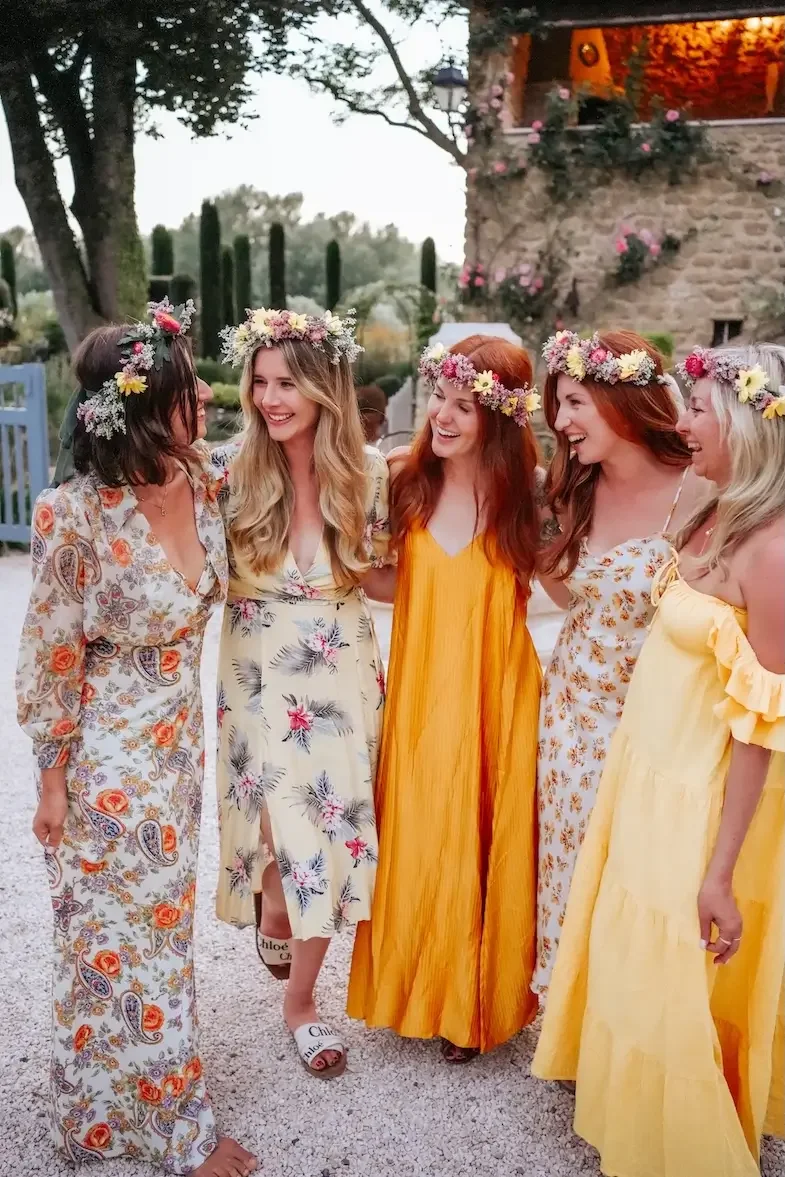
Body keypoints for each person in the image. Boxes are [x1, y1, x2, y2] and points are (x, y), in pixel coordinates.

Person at [16, 300, 256, 1176]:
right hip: (105, 759)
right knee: (113, 939)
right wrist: (51, 784)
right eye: (188, 388)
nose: (204, 399)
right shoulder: (73, 514)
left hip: (177, 749)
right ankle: (175, 1131)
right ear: (144, 407)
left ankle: (112, 1115)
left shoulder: (211, 482)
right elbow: (50, 657)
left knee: (152, 934)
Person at [532, 343, 785, 1177]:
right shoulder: (710, 515)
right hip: (629, 761)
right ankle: (619, 1097)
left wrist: (721, 866)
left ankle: (675, 1135)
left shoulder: (769, 548)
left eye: (700, 411)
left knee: (664, 954)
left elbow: (761, 720)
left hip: (687, 782)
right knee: (617, 935)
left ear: (747, 419)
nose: (684, 423)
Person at [348, 336, 544, 1061]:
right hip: (425, 685)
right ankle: (416, 990)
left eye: (464, 405)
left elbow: (563, 577)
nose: (444, 415)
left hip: (499, 688)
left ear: (499, 417)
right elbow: (391, 583)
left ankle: (475, 1001)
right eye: (441, 398)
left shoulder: (527, 493)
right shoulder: (404, 480)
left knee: (487, 836)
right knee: (426, 832)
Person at [212, 307, 392, 1079]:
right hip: (255, 665)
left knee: (327, 828)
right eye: (260, 381)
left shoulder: (371, 471)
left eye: (287, 382)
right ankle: (274, 897)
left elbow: (383, 577)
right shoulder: (226, 470)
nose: (270, 397)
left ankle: (302, 1004)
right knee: (279, 825)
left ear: (325, 388)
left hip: (340, 664)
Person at [532, 329, 698, 997]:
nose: (560, 421)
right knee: (566, 868)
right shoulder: (570, 490)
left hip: (655, 728)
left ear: (621, 399)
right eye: (557, 405)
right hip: (570, 718)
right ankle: (573, 1024)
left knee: (643, 880)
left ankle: (630, 1023)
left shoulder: (698, 492)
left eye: (574, 402)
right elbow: (564, 590)